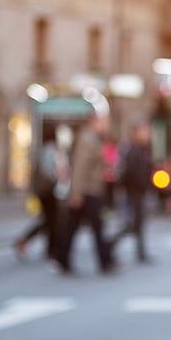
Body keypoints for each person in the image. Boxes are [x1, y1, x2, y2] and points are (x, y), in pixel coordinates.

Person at [55, 113, 116, 275]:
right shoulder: (87, 140)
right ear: (95, 122)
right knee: (96, 228)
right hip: (88, 191)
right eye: (105, 122)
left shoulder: (94, 139)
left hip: (89, 190)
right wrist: (76, 193)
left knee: (73, 227)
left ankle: (62, 259)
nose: (107, 126)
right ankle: (106, 261)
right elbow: (80, 168)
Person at [15, 125, 68, 260]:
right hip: (47, 191)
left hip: (46, 191)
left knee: (49, 220)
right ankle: (48, 249)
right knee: (51, 221)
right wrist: (58, 175)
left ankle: (30, 242)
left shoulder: (47, 149)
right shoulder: (49, 150)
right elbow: (48, 170)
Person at [111, 121, 154, 264]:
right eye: (144, 131)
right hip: (132, 192)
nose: (147, 135)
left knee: (138, 223)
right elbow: (126, 172)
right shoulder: (130, 150)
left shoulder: (143, 149)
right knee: (132, 223)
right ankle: (110, 243)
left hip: (140, 191)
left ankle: (141, 252)